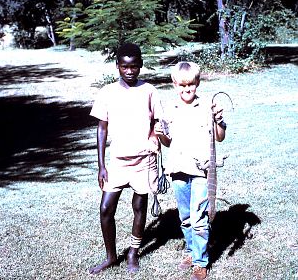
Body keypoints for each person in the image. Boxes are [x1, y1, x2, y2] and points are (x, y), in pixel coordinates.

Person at [89, 43, 164, 274]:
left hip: (144, 160)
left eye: (133, 67)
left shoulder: (149, 90)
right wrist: (102, 165)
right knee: (105, 208)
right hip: (118, 162)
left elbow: (157, 122)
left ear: (140, 65)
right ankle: (111, 256)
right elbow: (102, 129)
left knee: (139, 206)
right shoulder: (107, 92)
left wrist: (153, 137)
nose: (129, 71)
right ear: (117, 66)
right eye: (124, 67)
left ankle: (133, 252)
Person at [154, 61, 227, 280]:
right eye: (182, 86)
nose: (186, 90)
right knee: (185, 217)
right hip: (177, 169)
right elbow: (167, 142)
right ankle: (192, 250)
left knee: (199, 218)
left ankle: (200, 261)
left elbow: (220, 137)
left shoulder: (208, 106)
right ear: (174, 84)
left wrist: (219, 121)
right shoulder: (170, 109)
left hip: (202, 171)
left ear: (197, 83)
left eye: (191, 86)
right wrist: (160, 133)